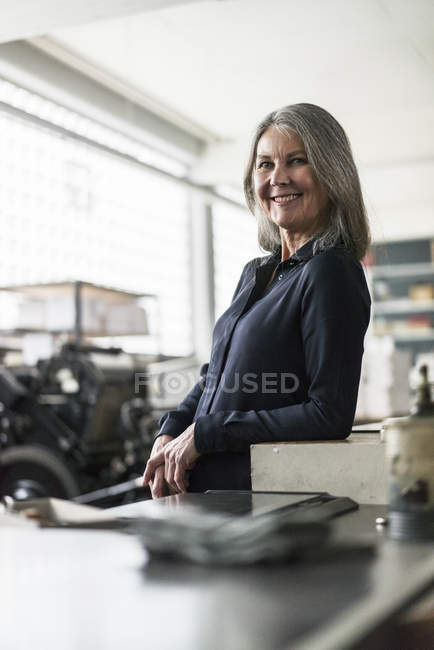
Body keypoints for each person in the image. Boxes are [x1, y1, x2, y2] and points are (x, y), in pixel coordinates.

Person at [143, 103, 371, 498]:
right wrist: (173, 428)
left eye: (296, 161)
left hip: (261, 505)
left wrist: (208, 433)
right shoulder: (257, 274)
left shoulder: (329, 272)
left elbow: (328, 414)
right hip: (210, 500)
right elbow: (216, 376)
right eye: (265, 165)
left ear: (332, 174)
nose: (278, 178)